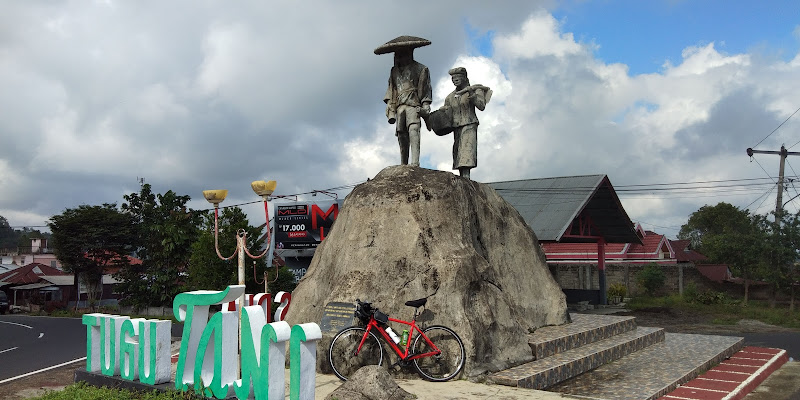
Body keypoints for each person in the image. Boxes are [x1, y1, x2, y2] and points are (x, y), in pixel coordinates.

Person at [377, 36, 433, 166]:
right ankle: (404, 163)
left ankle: (415, 161)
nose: (400, 57)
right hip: (399, 106)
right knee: (401, 134)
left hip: (413, 105)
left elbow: (425, 89)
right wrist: (391, 106)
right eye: (398, 55)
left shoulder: (421, 69)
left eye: (403, 54)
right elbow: (392, 90)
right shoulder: (394, 71)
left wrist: (425, 106)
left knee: (414, 129)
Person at [441, 67, 490, 179]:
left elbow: (481, 106)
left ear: (464, 77)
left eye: (457, 77)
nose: (455, 80)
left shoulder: (476, 90)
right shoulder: (450, 97)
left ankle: (466, 176)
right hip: (456, 127)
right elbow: (447, 112)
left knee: (467, 150)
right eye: (453, 78)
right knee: (457, 152)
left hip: (469, 124)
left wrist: (471, 94)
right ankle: (462, 176)